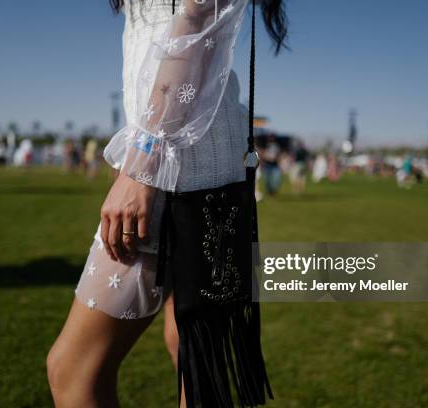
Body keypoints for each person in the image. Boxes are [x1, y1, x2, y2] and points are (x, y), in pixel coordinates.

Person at [47, 1, 288, 407]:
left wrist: (140, 166)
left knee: (74, 369)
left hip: (175, 166)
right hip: (205, 166)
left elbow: (196, 18)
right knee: (192, 357)